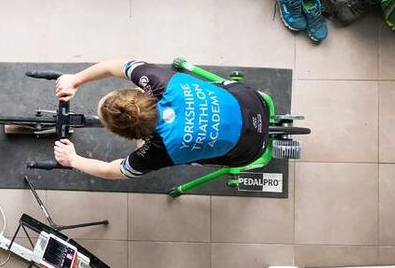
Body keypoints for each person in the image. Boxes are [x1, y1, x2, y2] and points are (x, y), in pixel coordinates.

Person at [52, 59, 269, 179]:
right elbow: (112, 66)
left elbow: (112, 170)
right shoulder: (157, 81)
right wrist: (75, 80)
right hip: (252, 101)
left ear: (128, 135)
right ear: (136, 91)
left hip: (248, 152)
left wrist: (72, 160)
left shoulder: (158, 150)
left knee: (187, 156)